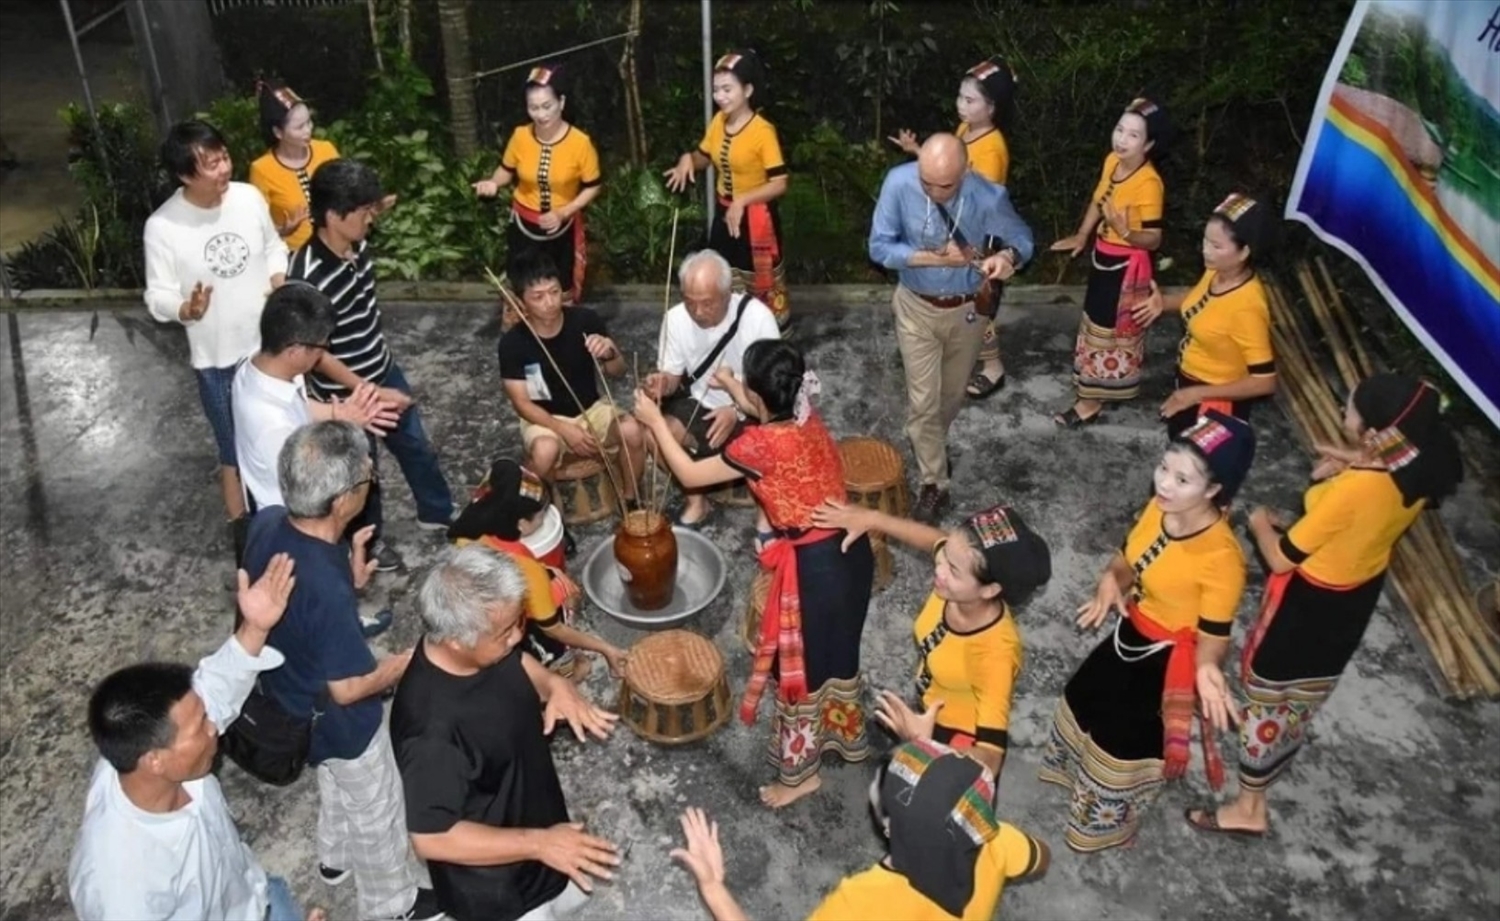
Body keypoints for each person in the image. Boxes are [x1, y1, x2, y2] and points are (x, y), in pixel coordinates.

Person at [1187, 374, 1463, 837]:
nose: (1342, 414)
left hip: (1311, 604)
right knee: (1303, 695)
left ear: (1376, 431)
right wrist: (1354, 459)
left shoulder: (1355, 490)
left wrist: (1259, 524)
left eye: (1350, 410)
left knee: (1270, 699)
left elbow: (1279, 558)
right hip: (1355, 594)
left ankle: (1249, 808)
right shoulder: (1420, 462)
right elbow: (1374, 488)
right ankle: (1269, 767)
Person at [634, 339, 875, 808]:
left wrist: (652, 423)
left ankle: (799, 776)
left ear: (761, 394)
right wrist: (729, 385)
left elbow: (687, 471)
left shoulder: (757, 445)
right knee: (837, 657)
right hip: (852, 555)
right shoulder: (805, 413)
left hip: (815, 571)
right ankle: (842, 739)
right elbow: (762, 409)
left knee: (799, 671)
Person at [242, 421, 441, 921]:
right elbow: (350, 688)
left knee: (332, 778)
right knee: (377, 807)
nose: (370, 480)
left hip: (290, 702)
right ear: (341, 501)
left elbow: (299, 604)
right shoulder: (325, 591)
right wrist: (401, 665)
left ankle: (334, 858)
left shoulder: (266, 522)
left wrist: (347, 571)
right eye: (366, 477)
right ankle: (392, 903)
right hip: (338, 717)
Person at [1038, 410, 1255, 853]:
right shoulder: (1159, 509)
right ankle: (1077, 783)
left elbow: (1214, 634)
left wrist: (1210, 669)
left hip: (1164, 660)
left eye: (1182, 479)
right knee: (1083, 699)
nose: (1164, 484)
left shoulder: (1222, 560)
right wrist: (1109, 580)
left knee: (1125, 741)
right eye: (1164, 467)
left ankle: (1106, 827)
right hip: (1132, 632)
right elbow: (1127, 558)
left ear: (1214, 490)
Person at [68, 554, 320, 921]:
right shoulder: (121, 888)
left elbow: (214, 689)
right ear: (155, 759)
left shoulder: (149, 752)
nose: (214, 728)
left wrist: (254, 629)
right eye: (201, 726)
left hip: (250, 891)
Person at [391, 543, 622, 921]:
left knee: (575, 896)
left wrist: (553, 684)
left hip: (541, 831)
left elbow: (517, 661)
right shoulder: (431, 733)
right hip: (498, 888)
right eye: (505, 631)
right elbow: (432, 838)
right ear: (456, 641)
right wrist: (540, 844)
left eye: (519, 621)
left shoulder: (481, 648)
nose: (517, 637)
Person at [291, 157, 458, 571]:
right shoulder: (307, 276)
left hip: (381, 366)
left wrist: (381, 376)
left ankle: (438, 510)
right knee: (363, 473)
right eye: (364, 211)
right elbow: (315, 351)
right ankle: (370, 542)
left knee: (415, 444)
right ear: (333, 215)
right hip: (345, 391)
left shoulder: (358, 245)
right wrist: (366, 390)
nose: (371, 219)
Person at [672, 739, 1051, 921]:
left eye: (881, 787)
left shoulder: (865, 901)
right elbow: (1040, 859)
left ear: (888, 826)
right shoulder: (996, 839)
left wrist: (713, 887)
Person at [811, 500, 1051, 778]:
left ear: (989, 590)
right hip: (931, 706)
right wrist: (872, 518)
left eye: (954, 570)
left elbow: (990, 760)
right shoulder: (956, 583)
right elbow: (936, 540)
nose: (939, 570)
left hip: (959, 740)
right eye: (945, 557)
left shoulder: (995, 654)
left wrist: (924, 744)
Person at [868, 132, 1034, 523]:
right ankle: (934, 483)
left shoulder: (987, 196)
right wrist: (935, 258)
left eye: (944, 185)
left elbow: (1024, 239)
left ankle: (932, 449)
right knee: (923, 401)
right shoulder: (898, 183)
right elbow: (879, 248)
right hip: (915, 308)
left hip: (967, 314)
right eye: (926, 181)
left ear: (966, 171)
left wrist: (1009, 257)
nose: (933, 191)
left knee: (952, 395)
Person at [144, 119, 289, 524]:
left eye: (224, 157)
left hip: (273, 346)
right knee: (235, 454)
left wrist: (279, 277)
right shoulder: (163, 227)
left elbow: (273, 247)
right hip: (219, 362)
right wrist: (184, 309)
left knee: (286, 439)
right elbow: (157, 295)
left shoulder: (248, 197)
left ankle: (292, 523)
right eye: (210, 164)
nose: (224, 168)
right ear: (183, 174)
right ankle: (245, 539)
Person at [890, 56, 1020, 400]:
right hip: (954, 229)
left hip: (977, 239)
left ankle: (993, 369)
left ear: (992, 107)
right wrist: (918, 151)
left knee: (976, 305)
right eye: (960, 96)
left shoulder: (992, 148)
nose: (961, 105)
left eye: (970, 100)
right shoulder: (966, 130)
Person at [447, 457, 628, 680]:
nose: (546, 517)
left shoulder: (469, 530)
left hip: (479, 615)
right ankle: (563, 673)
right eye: (541, 515)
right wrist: (605, 648)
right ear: (521, 524)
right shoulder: (526, 572)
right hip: (510, 623)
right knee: (552, 632)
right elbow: (555, 629)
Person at [1049, 97, 1170, 427]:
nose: (1121, 139)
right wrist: (1082, 235)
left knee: (1109, 332)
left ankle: (1091, 401)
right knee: (1094, 327)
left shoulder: (1149, 183)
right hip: (1103, 256)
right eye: (1120, 129)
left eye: (1133, 135)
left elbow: (1154, 239)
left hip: (1126, 267)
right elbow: (1099, 199)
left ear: (1149, 144)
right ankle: (1091, 389)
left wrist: (1125, 232)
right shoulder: (1112, 163)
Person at [642, 248, 780, 527]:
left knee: (776, 445)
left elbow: (773, 391)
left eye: (707, 303)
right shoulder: (675, 318)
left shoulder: (758, 318)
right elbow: (672, 375)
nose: (698, 312)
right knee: (653, 435)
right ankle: (696, 499)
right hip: (701, 403)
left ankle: (765, 507)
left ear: (728, 293)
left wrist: (735, 411)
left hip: (753, 409)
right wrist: (661, 383)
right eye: (690, 302)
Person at [498, 249, 644, 502]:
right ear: (521, 301)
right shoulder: (513, 343)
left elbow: (618, 372)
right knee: (545, 450)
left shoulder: (585, 320)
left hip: (591, 409)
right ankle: (540, 508)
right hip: (545, 418)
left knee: (632, 431)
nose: (550, 302)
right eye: (538, 297)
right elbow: (522, 404)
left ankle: (631, 501)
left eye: (554, 292)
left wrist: (610, 353)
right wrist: (564, 429)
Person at [664, 50, 792, 329]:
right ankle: (728, 334)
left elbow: (780, 183)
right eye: (716, 89)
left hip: (757, 218)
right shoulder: (719, 122)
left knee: (760, 284)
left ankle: (767, 342)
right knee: (722, 278)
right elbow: (704, 156)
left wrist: (743, 201)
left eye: (727, 89)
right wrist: (688, 159)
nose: (720, 96)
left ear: (747, 90)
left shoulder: (762, 131)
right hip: (725, 214)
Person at [1134, 192, 1278, 438]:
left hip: (1217, 403)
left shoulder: (1247, 306)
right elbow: (1202, 301)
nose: (1205, 251)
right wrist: (1164, 303)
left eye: (1216, 246)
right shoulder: (1217, 272)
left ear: (1244, 252)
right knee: (1180, 451)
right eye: (1205, 241)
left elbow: (1265, 381)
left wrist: (1196, 394)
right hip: (1190, 384)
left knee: (1197, 466)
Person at [474, 64, 602, 306]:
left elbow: (593, 186)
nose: (541, 114)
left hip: (561, 229)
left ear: (561, 103)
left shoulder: (580, 143)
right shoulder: (521, 136)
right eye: (533, 107)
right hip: (524, 228)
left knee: (559, 292)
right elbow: (506, 170)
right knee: (523, 287)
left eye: (547, 106)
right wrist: (492, 183)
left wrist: (564, 211)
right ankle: (522, 338)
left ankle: (561, 339)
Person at [248, 80, 341, 251]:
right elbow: (257, 228)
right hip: (294, 257)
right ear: (278, 132)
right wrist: (284, 230)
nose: (308, 130)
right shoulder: (262, 169)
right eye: (299, 127)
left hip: (338, 246)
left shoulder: (326, 150)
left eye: (309, 122)